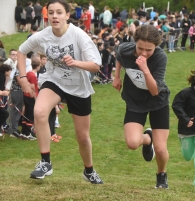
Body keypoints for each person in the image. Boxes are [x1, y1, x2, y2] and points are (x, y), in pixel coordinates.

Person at [17, 0, 103, 184]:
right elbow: (21, 51)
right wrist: (23, 78)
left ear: (67, 15)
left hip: (78, 87)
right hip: (53, 80)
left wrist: (76, 63)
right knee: (39, 112)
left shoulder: (79, 36)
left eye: (59, 12)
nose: (55, 16)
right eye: (51, 12)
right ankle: (45, 162)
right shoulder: (43, 35)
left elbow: (96, 66)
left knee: (83, 137)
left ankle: (89, 170)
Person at [113, 25, 170, 189]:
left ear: (156, 47)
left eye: (149, 50)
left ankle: (161, 174)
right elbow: (119, 55)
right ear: (135, 42)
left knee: (160, 149)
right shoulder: (126, 48)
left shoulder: (160, 57)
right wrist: (117, 76)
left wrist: (145, 69)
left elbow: (154, 91)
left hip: (158, 102)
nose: (144, 53)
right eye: (140, 48)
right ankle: (147, 139)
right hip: (135, 100)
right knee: (132, 143)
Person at [0, 64, 12, 138]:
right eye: (9, 71)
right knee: (5, 113)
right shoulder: (1, 76)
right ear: (6, 71)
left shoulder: (3, 76)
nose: (10, 73)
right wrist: (3, 92)